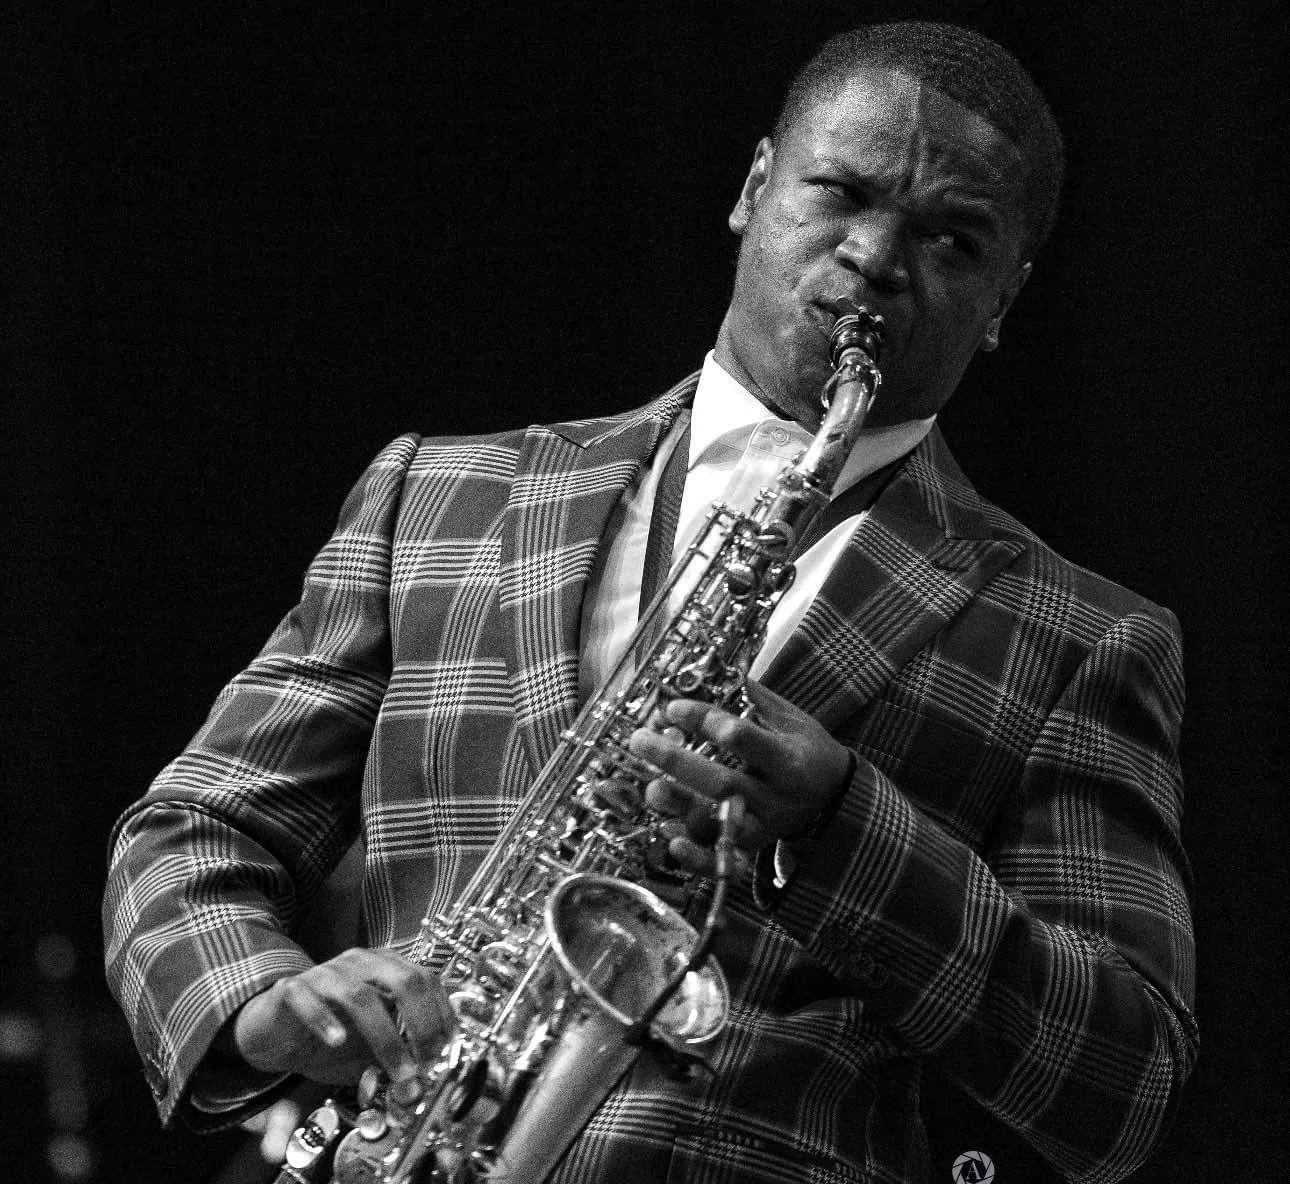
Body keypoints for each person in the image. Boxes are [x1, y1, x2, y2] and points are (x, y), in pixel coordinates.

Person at [103, 20, 1197, 1184]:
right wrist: (263, 999)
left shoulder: (1080, 635)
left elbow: (1123, 1087)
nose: (877, 256)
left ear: (1004, 298)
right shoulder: (438, 490)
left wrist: (841, 821)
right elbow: (191, 830)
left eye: (952, 238)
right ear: (753, 187)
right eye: (839, 192)